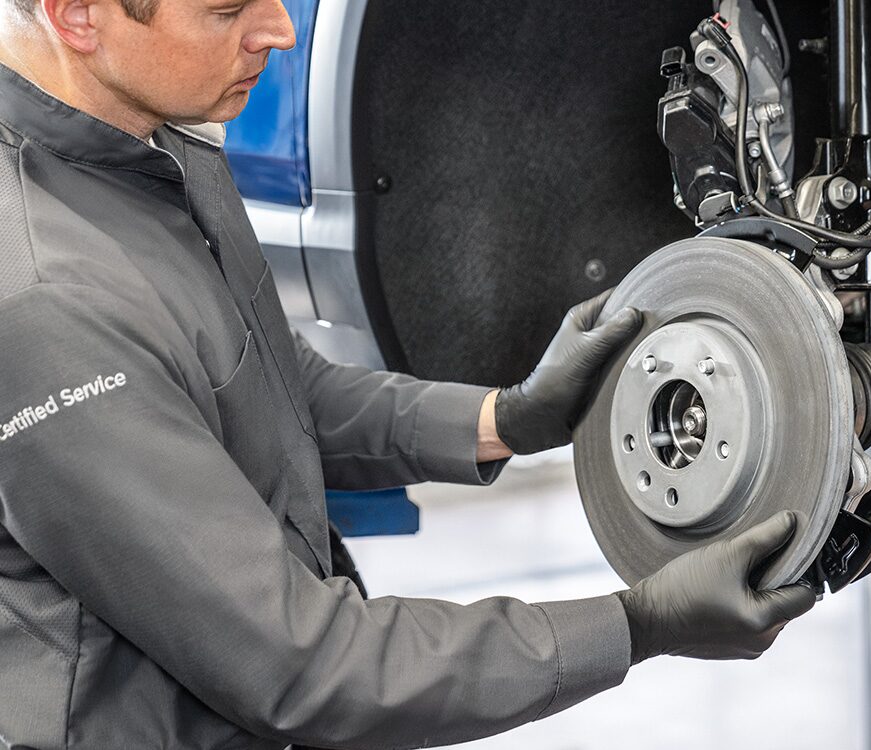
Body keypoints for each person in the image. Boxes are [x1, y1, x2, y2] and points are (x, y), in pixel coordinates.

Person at [0, 0, 818, 747]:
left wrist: (508, 416)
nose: (279, 30)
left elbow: (276, 390)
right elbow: (302, 665)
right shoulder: (49, 303)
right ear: (78, 17)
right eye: (228, 10)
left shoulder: (149, 142)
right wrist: (637, 625)